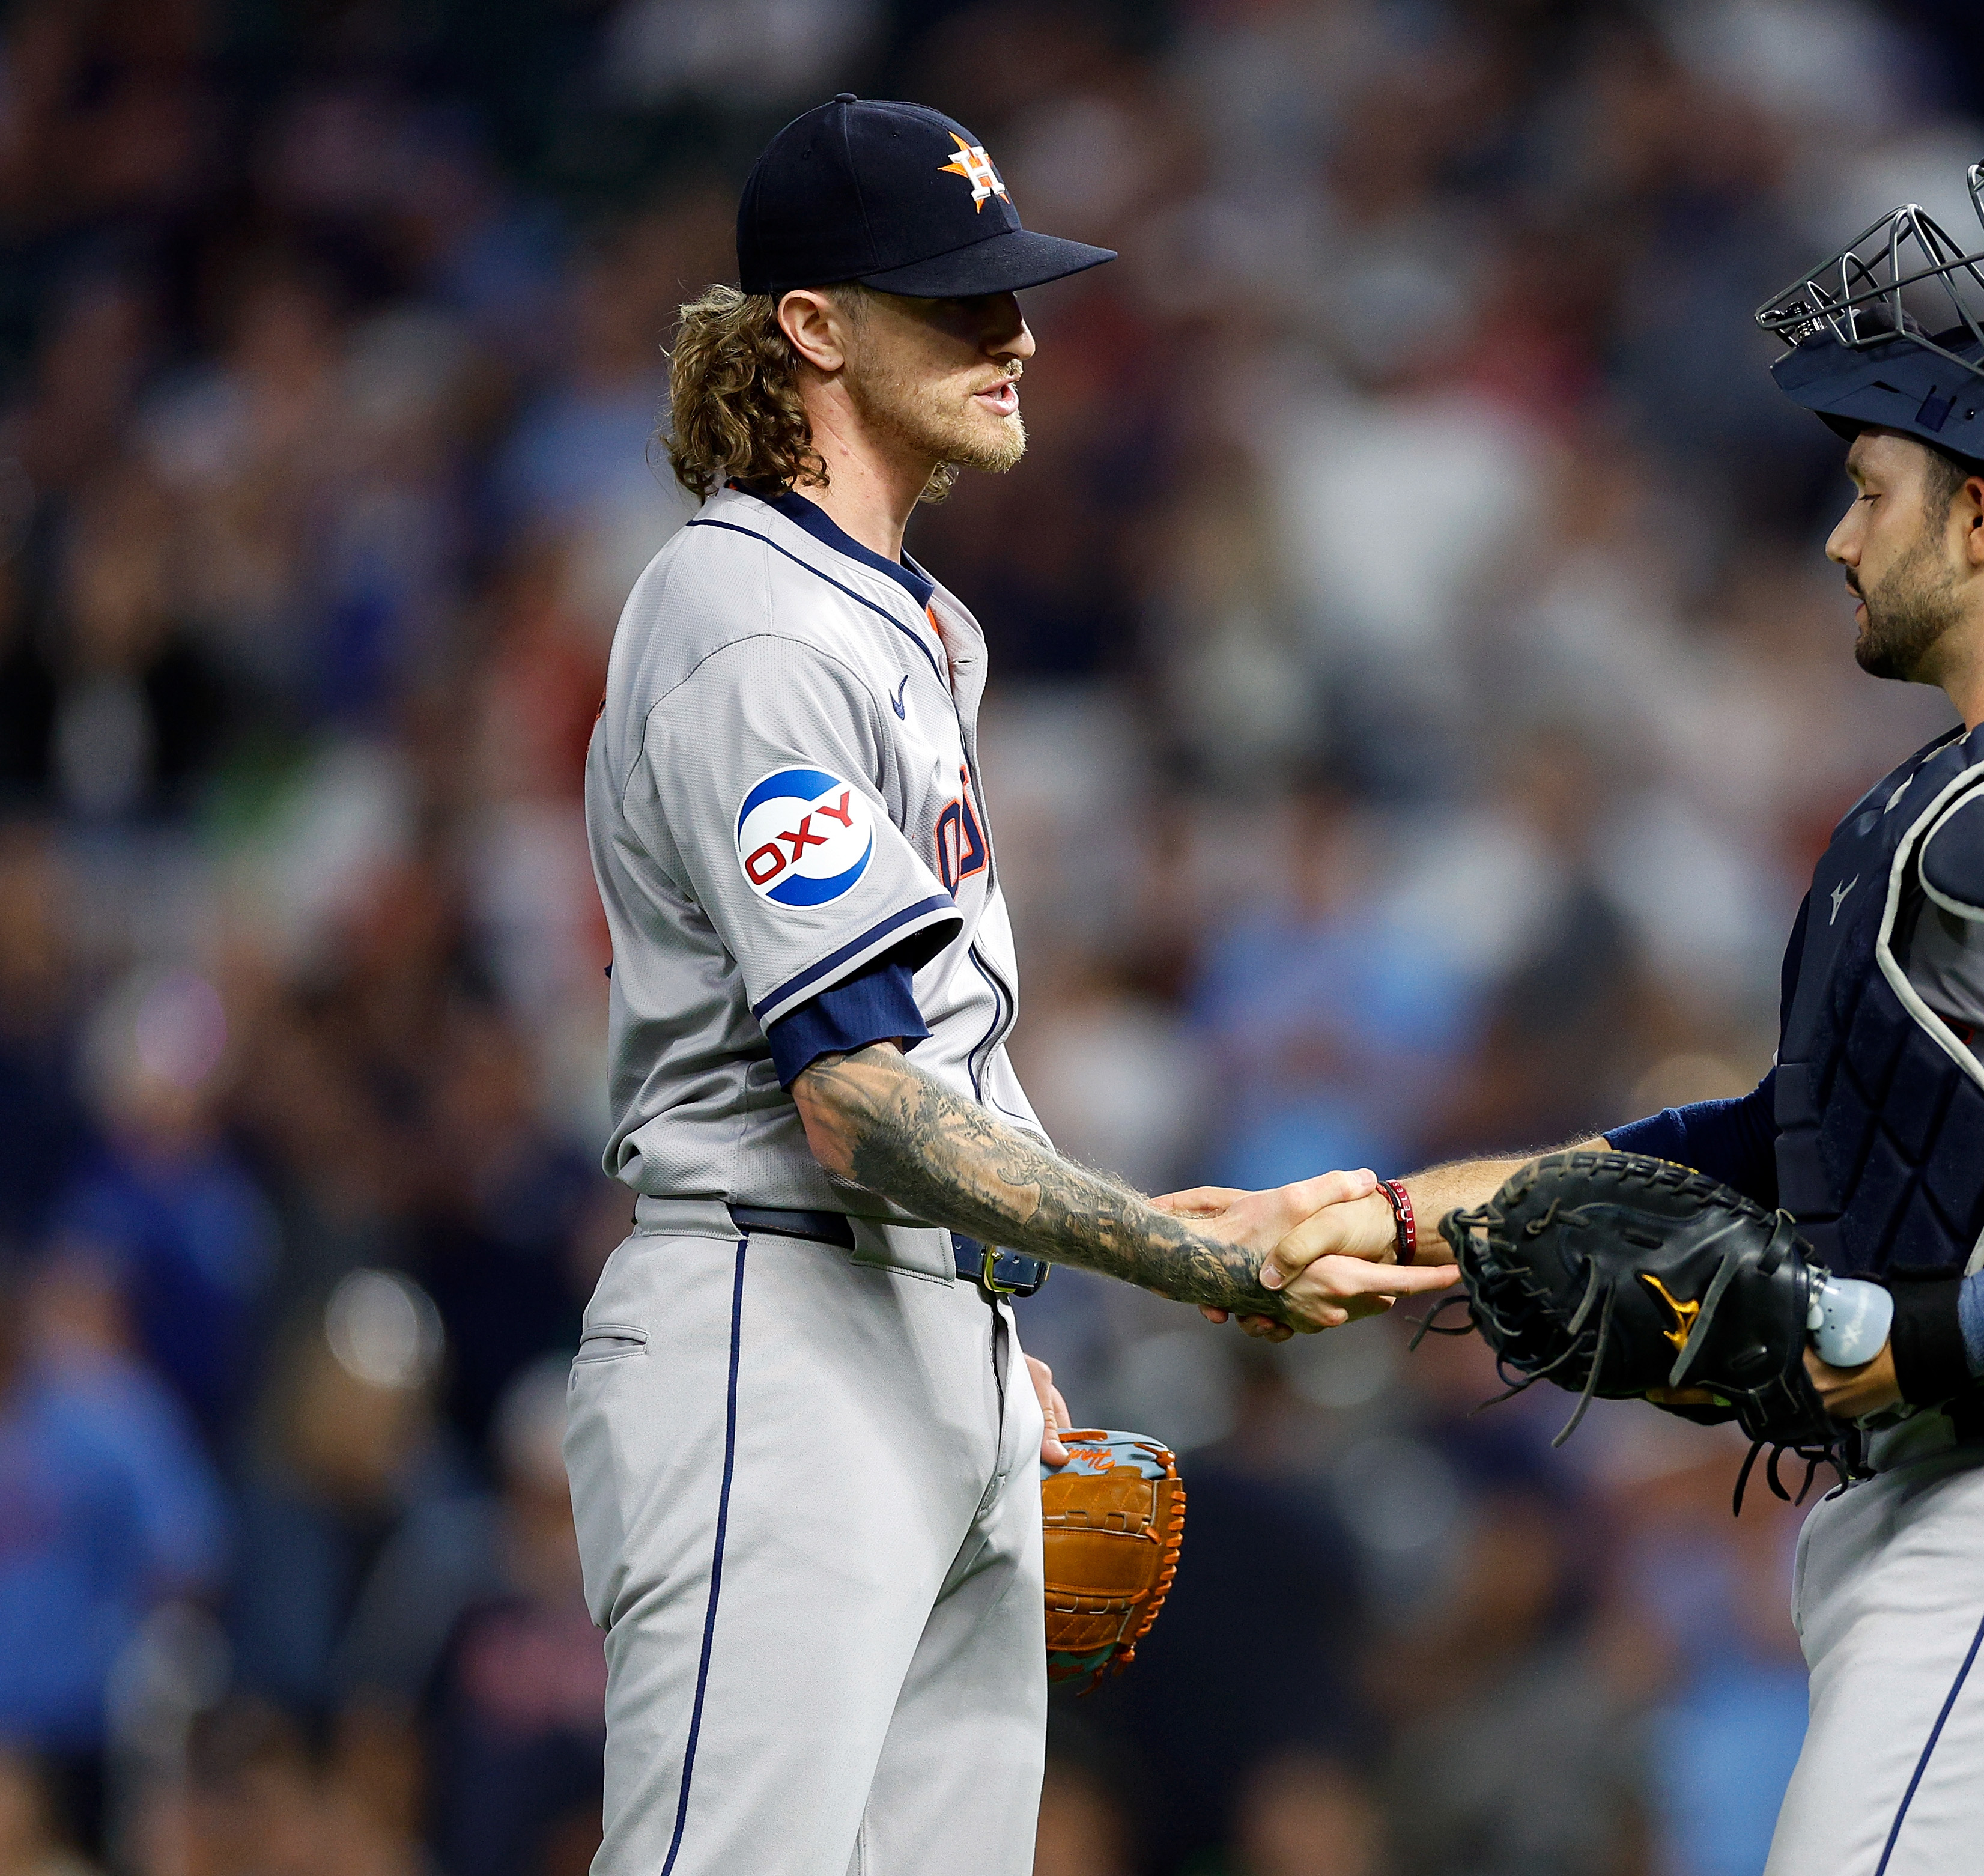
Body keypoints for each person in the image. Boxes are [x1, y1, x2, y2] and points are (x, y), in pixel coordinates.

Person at [1250, 124, 1984, 1874]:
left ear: (1981, 514)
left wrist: (1922, 1342)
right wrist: (1385, 1217)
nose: (1836, 538)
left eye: (1872, 491)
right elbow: (1763, 1145)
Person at [571, 94, 1448, 1876]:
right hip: (776, 1329)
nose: (1017, 331)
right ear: (812, 325)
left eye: (1013, 291)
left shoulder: (905, 620)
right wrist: (1190, 1259)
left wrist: (987, 1322)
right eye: (958, 298)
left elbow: (937, 1062)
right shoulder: (748, 620)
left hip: (916, 1332)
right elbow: (855, 1092)